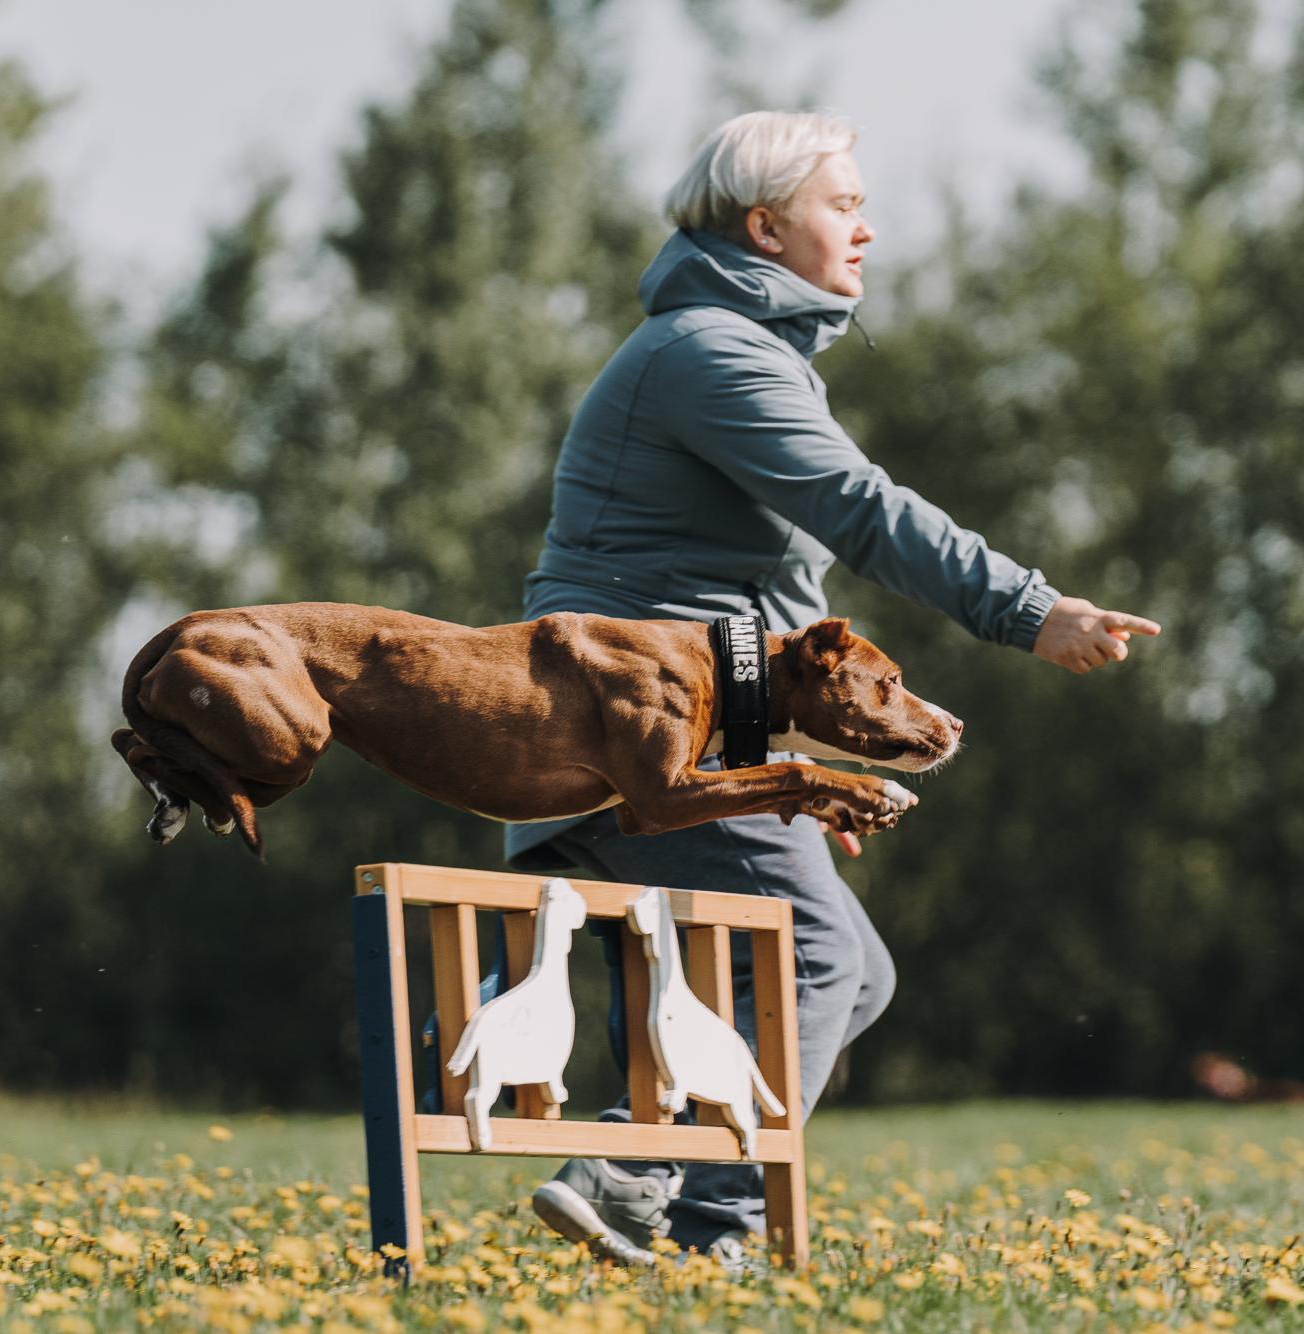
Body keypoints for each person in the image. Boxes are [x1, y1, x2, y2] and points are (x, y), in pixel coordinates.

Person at [503, 110, 1159, 1269]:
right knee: (816, 959)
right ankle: (634, 1170)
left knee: (851, 973)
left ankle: (699, 1222)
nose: (866, 228)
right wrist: (1028, 608)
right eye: (842, 204)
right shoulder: (709, 352)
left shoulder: (733, 349)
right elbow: (862, 512)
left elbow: (757, 600)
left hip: (696, 704)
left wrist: (795, 780)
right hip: (642, 721)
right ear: (765, 226)